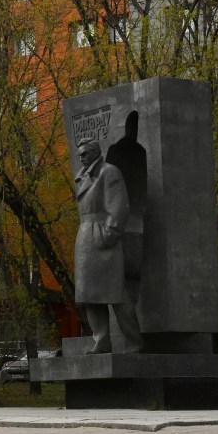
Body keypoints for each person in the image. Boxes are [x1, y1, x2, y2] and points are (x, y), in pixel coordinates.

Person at [72, 134, 141, 354]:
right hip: (85, 238)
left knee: (117, 295)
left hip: (102, 237)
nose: (82, 158)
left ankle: (134, 341)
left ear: (96, 152)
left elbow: (119, 207)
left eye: (85, 153)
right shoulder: (82, 176)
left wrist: (107, 236)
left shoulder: (109, 172)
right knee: (89, 295)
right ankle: (101, 341)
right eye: (80, 154)